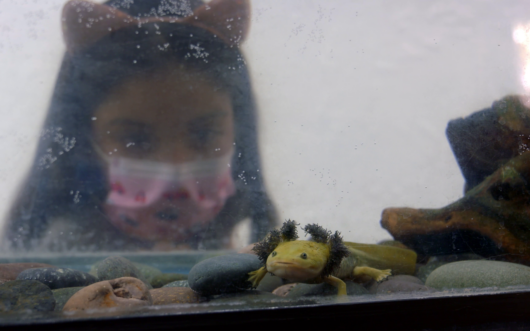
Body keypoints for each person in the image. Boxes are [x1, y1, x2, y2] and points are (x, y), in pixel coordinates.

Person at [1, 0, 276, 252]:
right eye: (134, 140)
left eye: (205, 134)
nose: (177, 164)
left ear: (240, 128)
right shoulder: (56, 258)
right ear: (84, 139)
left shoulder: (254, 252)